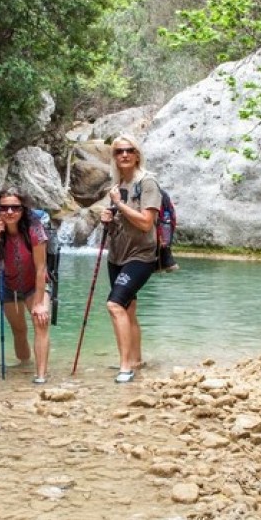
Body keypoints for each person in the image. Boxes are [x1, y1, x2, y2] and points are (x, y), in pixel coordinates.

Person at [99, 134, 161, 383]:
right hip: (117, 256)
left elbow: (147, 223)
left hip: (141, 255)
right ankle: (136, 359)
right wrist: (108, 219)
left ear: (137, 155)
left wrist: (119, 205)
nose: (124, 154)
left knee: (114, 305)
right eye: (118, 151)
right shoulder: (117, 186)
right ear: (114, 157)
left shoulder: (147, 183)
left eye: (129, 150)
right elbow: (120, 224)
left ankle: (125, 367)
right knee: (128, 309)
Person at [0, 189, 52, 384]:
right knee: (19, 330)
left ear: (23, 210)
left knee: (40, 322)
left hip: (35, 284)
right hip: (8, 285)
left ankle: (40, 375)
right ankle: (24, 366)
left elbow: (41, 268)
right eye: (4, 208)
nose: (10, 212)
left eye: (15, 207)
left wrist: (39, 302)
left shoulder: (34, 229)